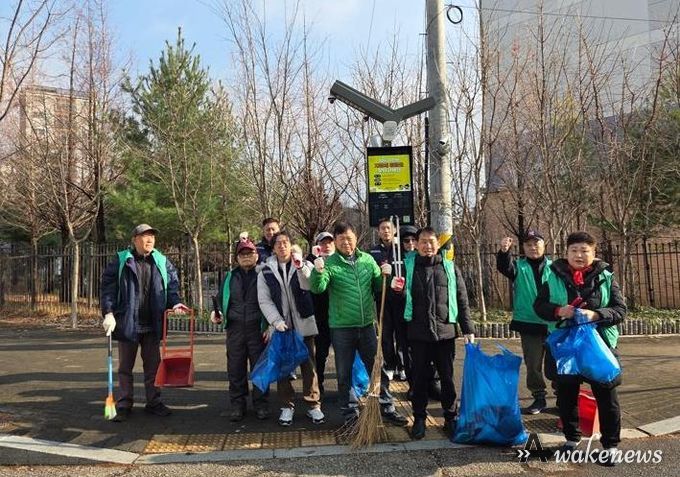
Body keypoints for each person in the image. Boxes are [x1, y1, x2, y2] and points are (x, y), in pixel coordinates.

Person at [534, 231, 626, 467]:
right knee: (566, 395)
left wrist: (596, 315)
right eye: (574, 250)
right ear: (566, 253)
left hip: (599, 345)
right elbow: (539, 306)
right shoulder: (552, 275)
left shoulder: (606, 276)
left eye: (584, 251)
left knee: (607, 396)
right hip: (565, 347)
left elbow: (620, 310)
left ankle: (611, 446)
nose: (579, 255)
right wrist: (557, 311)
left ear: (594, 253)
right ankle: (571, 439)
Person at [310, 221, 408, 426]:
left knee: (376, 368)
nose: (346, 242)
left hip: (366, 326)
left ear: (356, 238)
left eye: (349, 238)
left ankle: (387, 407)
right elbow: (318, 289)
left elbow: (379, 287)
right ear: (336, 242)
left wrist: (387, 277)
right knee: (344, 373)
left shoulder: (367, 260)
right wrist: (317, 272)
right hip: (341, 328)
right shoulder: (330, 263)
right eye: (341, 239)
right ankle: (350, 413)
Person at [100, 224, 189, 422]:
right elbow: (108, 288)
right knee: (125, 367)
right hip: (128, 323)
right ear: (134, 240)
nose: (149, 240)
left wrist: (175, 303)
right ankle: (124, 403)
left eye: (152, 237)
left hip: (152, 324)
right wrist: (108, 312)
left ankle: (154, 402)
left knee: (153, 367)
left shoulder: (161, 261)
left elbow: (171, 287)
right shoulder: (122, 260)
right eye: (145, 236)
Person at [392, 227, 474, 440]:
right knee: (418, 379)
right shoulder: (407, 268)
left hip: (445, 333)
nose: (427, 246)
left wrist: (468, 329)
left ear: (438, 244)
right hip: (418, 334)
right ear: (416, 245)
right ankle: (419, 418)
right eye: (423, 242)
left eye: (431, 242)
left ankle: (450, 417)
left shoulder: (449, 268)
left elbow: (462, 299)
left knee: (447, 378)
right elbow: (398, 302)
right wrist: (396, 291)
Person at [257, 231, 324, 426]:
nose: (282, 246)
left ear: (291, 245)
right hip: (282, 326)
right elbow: (264, 299)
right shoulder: (266, 271)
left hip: (304, 323)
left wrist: (301, 267)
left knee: (309, 366)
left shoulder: (303, 264)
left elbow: (310, 285)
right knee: (284, 368)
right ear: (273, 248)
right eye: (278, 243)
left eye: (285, 242)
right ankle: (286, 406)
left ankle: (313, 404)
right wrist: (275, 320)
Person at [210, 238, 270, 422]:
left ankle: (261, 404)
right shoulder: (230, 276)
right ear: (236, 257)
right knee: (235, 368)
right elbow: (221, 299)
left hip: (257, 328)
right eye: (242, 254)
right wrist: (217, 313)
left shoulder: (264, 274)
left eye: (249, 253)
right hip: (235, 329)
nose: (246, 256)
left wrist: (269, 325)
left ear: (256, 255)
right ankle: (237, 404)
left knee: (260, 368)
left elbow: (272, 300)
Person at [497, 229, 554, 415]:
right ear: (523, 247)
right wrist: (504, 252)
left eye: (536, 243)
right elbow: (504, 267)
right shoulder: (518, 267)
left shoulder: (555, 267)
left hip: (554, 323)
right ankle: (539, 397)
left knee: (557, 363)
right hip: (529, 323)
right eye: (528, 244)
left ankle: (563, 397)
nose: (532, 247)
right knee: (533, 364)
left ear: (544, 245)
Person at [368, 218, 405, 381]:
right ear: (378, 231)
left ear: (395, 230)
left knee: (402, 333)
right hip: (382, 298)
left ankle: (402, 365)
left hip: (400, 298)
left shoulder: (401, 249)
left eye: (389, 228)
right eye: (383, 228)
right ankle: (390, 364)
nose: (386, 231)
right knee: (386, 333)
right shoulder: (373, 251)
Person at [306, 231, 335, 395]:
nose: (327, 245)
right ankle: (319, 383)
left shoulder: (339, 259)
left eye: (329, 242)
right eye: (323, 243)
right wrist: (314, 259)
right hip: (320, 315)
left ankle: (349, 386)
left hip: (340, 314)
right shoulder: (310, 261)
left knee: (346, 353)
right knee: (321, 352)